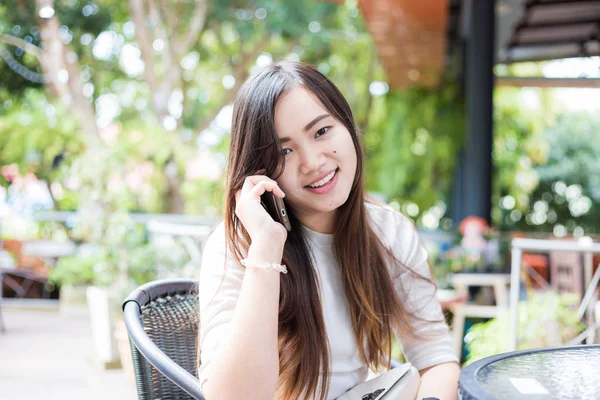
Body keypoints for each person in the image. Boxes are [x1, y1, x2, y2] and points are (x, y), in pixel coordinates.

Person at [198, 61, 459, 400]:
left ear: (347, 126)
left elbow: (435, 357)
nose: (312, 162)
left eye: (321, 131)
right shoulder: (237, 244)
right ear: (260, 169)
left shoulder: (388, 232)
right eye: (284, 150)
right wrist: (267, 247)